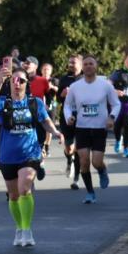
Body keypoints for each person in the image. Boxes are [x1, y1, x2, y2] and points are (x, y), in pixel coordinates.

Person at [0, 65, 64, 246]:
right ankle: (20, 227)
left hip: (30, 153)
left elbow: (45, 121)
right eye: (14, 80)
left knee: (24, 188)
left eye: (21, 80)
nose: (17, 83)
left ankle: (27, 230)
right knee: (13, 196)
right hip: (8, 156)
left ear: (26, 83)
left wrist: (56, 132)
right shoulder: (4, 102)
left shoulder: (35, 102)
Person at [63, 55, 121, 204]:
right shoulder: (75, 86)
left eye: (91, 64)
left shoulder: (105, 85)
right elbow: (67, 105)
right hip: (82, 128)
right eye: (86, 64)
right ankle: (90, 192)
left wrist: (112, 117)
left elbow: (116, 104)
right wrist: (69, 117)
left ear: (96, 67)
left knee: (96, 162)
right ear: (82, 67)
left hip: (99, 128)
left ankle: (102, 170)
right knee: (83, 161)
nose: (88, 66)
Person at [57, 55, 84, 189]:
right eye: (69, 63)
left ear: (80, 64)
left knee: (79, 148)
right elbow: (58, 98)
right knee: (69, 147)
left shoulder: (86, 78)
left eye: (73, 62)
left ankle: (76, 179)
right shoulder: (64, 79)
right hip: (67, 117)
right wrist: (62, 94)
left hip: (82, 117)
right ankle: (69, 160)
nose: (71, 65)